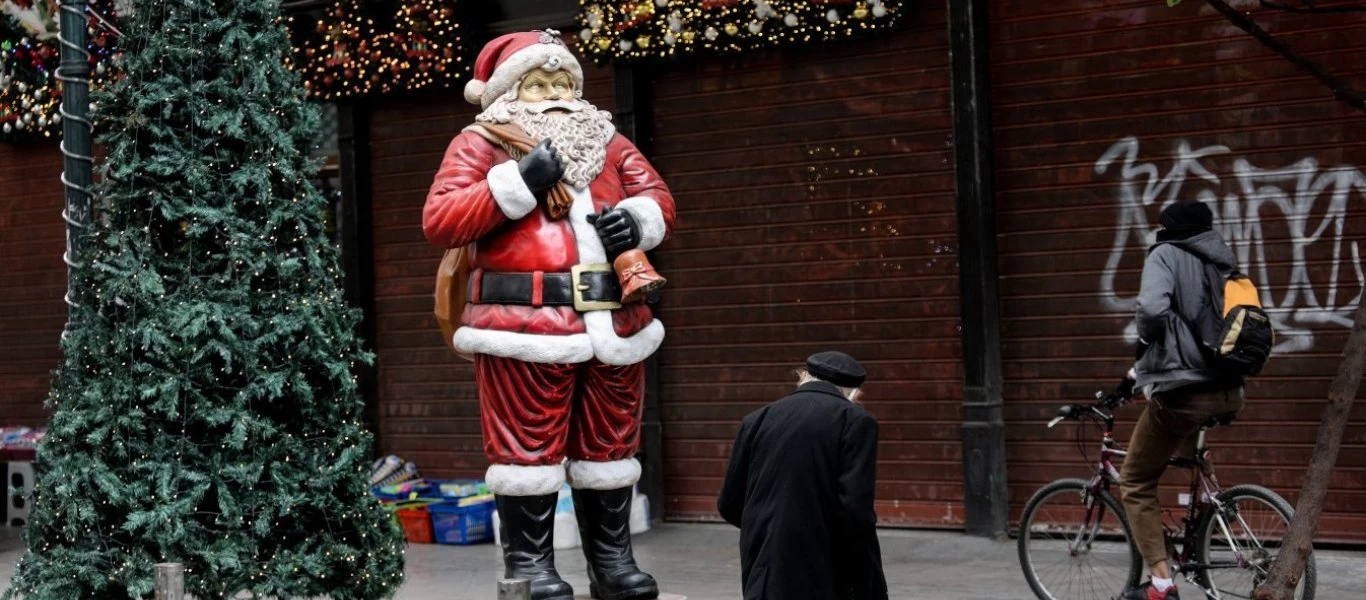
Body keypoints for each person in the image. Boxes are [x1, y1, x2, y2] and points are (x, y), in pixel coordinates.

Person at [422, 29, 675, 600]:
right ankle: (530, 569)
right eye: (538, 84)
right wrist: (518, 181)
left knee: (608, 450)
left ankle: (613, 565)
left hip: (614, 320)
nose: (555, 94)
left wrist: (637, 221)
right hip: (524, 323)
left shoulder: (608, 141)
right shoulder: (479, 142)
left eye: (564, 82)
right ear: (510, 92)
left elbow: (656, 194)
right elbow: (442, 220)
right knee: (525, 451)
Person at [1117, 201, 1246, 600]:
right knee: (1186, 455)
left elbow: (1153, 309)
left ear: (1168, 227)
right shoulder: (1224, 261)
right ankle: (1206, 520)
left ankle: (1159, 584)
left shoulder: (1165, 254)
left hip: (1185, 392)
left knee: (1135, 480)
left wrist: (1143, 344)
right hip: (1229, 389)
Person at [717, 351, 889, 600]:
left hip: (764, 571)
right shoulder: (854, 421)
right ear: (854, 392)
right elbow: (855, 513)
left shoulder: (756, 420)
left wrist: (773, 528)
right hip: (826, 573)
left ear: (804, 377)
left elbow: (729, 504)